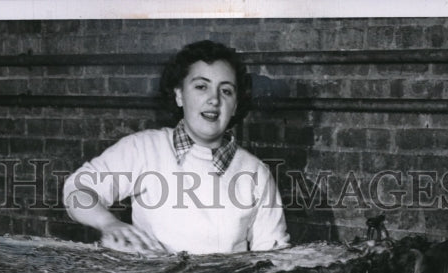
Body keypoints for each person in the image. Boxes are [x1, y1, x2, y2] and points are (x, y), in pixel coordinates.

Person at [63, 40, 289, 255]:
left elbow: (273, 254)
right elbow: (77, 190)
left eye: (226, 90)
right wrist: (109, 223)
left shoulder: (256, 172)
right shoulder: (144, 148)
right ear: (179, 95)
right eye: (201, 86)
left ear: (236, 104)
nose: (214, 99)